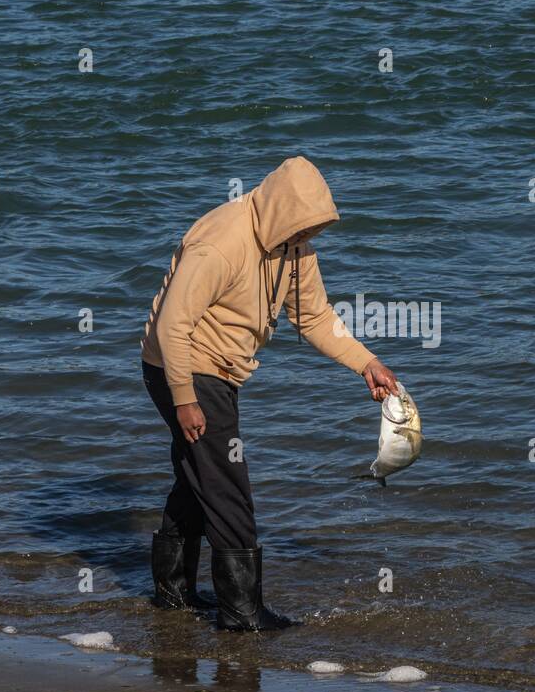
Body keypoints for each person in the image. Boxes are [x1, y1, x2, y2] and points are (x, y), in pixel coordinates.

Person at [140, 156, 399, 631]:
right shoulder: (221, 243)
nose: (309, 238)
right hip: (183, 365)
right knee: (228, 487)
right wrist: (184, 397)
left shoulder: (294, 245)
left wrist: (367, 362)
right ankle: (242, 613)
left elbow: (316, 316)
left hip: (217, 371)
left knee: (201, 476)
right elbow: (171, 324)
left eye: (314, 229)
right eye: (304, 228)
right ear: (281, 210)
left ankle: (173, 595)